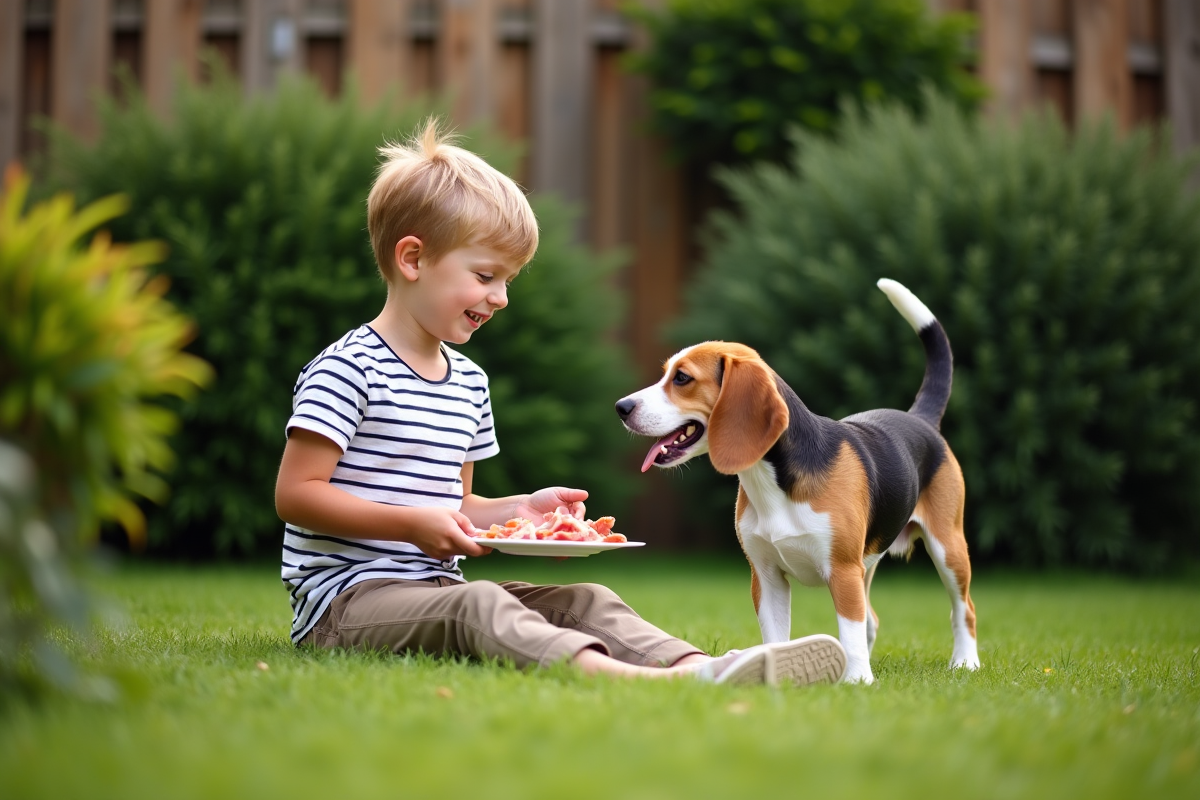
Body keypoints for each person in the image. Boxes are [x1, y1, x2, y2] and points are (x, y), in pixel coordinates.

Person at [273, 120, 846, 686]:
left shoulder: (468, 382)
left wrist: (522, 510)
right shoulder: (348, 369)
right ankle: (639, 681)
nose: (499, 297)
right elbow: (295, 496)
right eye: (486, 275)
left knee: (585, 599)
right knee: (481, 608)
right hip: (346, 601)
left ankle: (705, 666)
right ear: (413, 259)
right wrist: (409, 525)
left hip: (435, 588)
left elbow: (459, 506)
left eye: (509, 281)